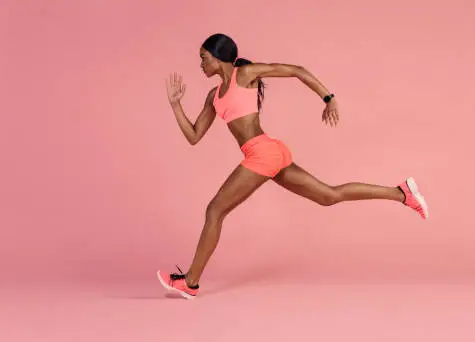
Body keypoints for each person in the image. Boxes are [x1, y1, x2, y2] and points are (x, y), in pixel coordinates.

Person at [157, 33, 428, 299]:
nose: (201, 64)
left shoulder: (246, 74)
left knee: (215, 210)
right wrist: (175, 105)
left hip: (263, 153)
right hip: (267, 152)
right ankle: (402, 193)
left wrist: (328, 97)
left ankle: (190, 282)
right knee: (328, 196)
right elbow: (193, 136)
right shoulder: (213, 96)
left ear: (218, 57)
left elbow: (296, 71)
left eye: (204, 58)